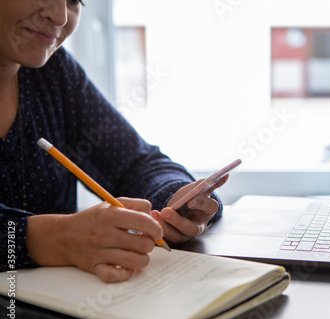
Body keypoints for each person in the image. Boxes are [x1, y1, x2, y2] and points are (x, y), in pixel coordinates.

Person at [0, 0, 226, 283]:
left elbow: (135, 163)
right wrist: (54, 237)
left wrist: (174, 201)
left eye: (74, 1)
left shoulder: (53, 71)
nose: (60, 17)